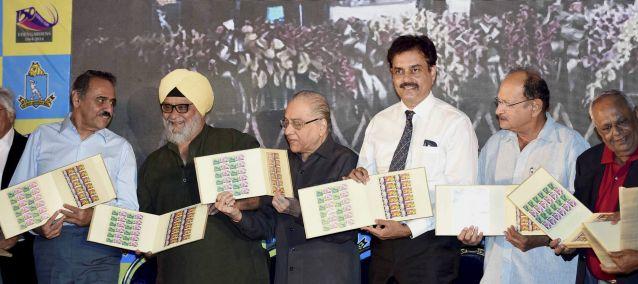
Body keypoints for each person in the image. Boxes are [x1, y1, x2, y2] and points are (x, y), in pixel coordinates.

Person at [347, 34, 478, 283]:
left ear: (433, 71)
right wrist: (357, 180)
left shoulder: (455, 123)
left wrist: (408, 229)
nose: (406, 79)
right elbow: (366, 178)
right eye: (399, 71)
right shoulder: (379, 122)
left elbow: (460, 194)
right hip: (382, 248)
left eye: (415, 70)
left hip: (431, 248)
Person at [457, 68, 589, 284]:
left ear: (535, 106)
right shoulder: (494, 146)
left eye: (508, 104)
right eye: (498, 102)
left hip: (546, 276)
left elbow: (584, 224)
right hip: (496, 275)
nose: (499, 110)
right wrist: (472, 235)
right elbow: (477, 205)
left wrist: (543, 239)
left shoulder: (570, 147)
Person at [137, 69, 269, 283]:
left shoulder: (235, 144)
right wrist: (145, 243)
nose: (173, 115)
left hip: (237, 275)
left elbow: (263, 206)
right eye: (167, 107)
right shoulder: (153, 165)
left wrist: (235, 207)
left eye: (182, 107)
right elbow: (149, 228)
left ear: (201, 108)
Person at [214, 91, 360, 284]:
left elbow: (343, 232)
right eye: (286, 123)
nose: (288, 131)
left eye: (297, 124)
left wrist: (298, 210)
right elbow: (267, 225)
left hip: (328, 275)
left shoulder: (345, 161)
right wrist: (237, 215)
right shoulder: (280, 163)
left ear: (321, 126)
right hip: (286, 274)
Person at [10, 70, 139, 283]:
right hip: (52, 248)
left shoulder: (121, 148)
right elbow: (19, 197)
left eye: (112, 103)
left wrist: (92, 217)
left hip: (100, 249)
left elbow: (129, 211)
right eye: (101, 100)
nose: (109, 109)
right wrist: (36, 228)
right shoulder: (42, 136)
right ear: (76, 98)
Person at [552, 90, 638, 283]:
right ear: (598, 131)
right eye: (606, 128)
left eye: (622, 122)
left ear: (637, 115)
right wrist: (570, 241)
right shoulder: (588, 162)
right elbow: (582, 220)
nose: (616, 133)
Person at [0, 88, 37, 284]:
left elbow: (40, 197)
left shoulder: (30, 148)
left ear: (10, 115)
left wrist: (18, 232)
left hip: (20, 252)